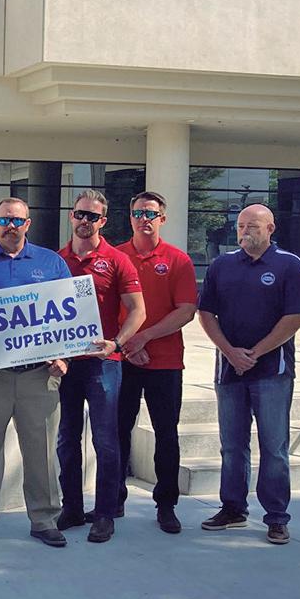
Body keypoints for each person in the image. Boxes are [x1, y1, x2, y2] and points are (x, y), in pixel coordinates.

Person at [0, 197, 71, 548]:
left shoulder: (51, 263)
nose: (11, 226)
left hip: (39, 373)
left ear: (28, 224)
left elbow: (69, 314)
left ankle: (45, 518)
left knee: (42, 451)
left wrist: (64, 356)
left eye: (18, 220)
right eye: (5, 220)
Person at [197, 203, 300, 545]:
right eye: (241, 226)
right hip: (229, 370)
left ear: (270, 229)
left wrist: (256, 352)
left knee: (273, 447)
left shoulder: (289, 265)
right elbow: (206, 313)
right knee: (232, 446)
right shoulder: (222, 265)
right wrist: (230, 352)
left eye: (253, 226)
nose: (244, 231)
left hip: (272, 372)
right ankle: (233, 508)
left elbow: (296, 316)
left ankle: (276, 517)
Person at [56, 190, 146, 543]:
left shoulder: (117, 260)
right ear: (71, 216)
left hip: (103, 363)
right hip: (65, 364)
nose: (85, 221)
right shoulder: (56, 260)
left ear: (103, 221)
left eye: (92, 217)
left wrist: (117, 343)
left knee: (106, 440)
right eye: (80, 214)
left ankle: (106, 513)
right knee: (66, 438)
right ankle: (72, 508)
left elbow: (138, 310)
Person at [115, 191, 198, 534]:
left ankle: (166, 504)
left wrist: (144, 337)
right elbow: (104, 308)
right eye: (138, 213)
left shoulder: (178, 260)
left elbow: (186, 310)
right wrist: (128, 345)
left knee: (166, 433)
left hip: (165, 362)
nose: (143, 219)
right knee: (117, 431)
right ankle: (113, 499)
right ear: (130, 218)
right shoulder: (116, 256)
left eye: (150, 213)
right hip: (122, 359)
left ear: (162, 218)